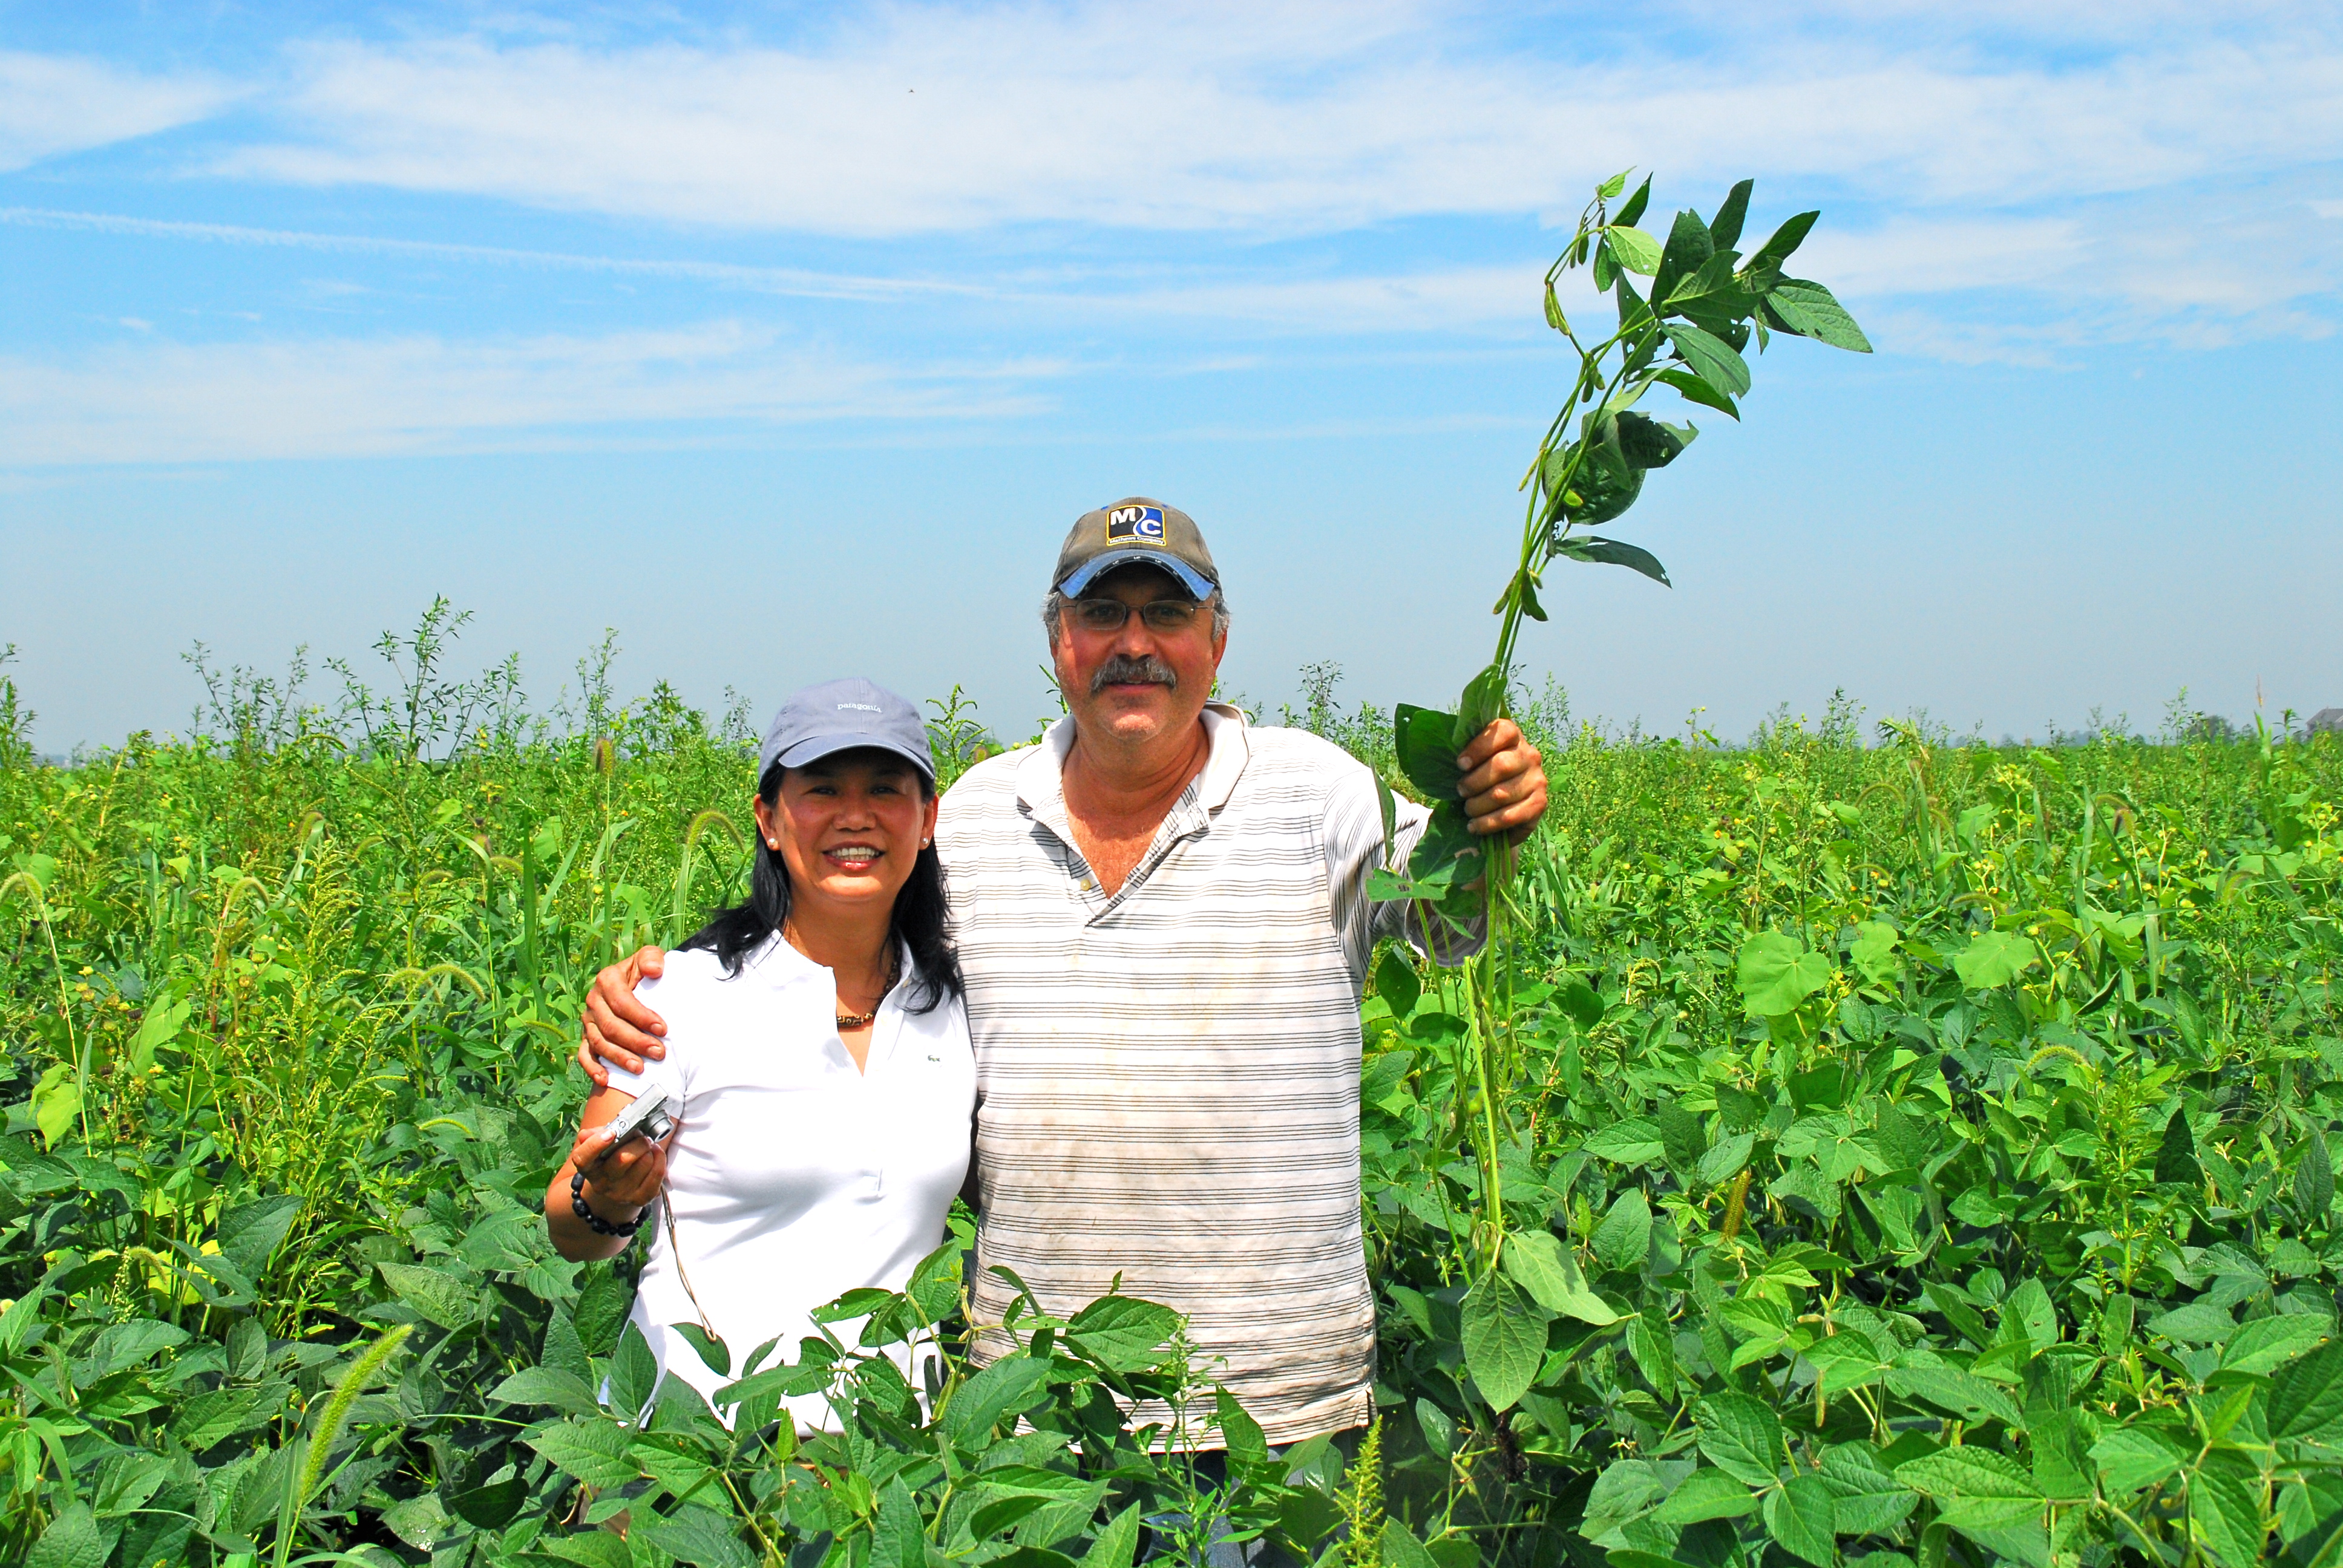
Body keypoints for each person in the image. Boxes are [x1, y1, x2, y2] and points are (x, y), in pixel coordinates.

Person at [579, 498, 1547, 1446]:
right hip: (1034, 1415)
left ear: (1218, 642)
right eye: (1100, 613)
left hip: (1276, 1401)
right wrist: (669, 982)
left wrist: (1493, 818)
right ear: (1058, 643)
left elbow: (1452, 921)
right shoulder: (974, 817)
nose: (1134, 641)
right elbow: (845, 940)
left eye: (1168, 613)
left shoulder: (1316, 793)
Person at [545, 678, 974, 1429]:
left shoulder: (955, 1006)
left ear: (927, 818)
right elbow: (567, 1226)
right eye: (821, 790)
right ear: (769, 820)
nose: (854, 816)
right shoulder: (680, 996)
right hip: (690, 1454)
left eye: (885, 788)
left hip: (889, 1466)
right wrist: (610, 1198)